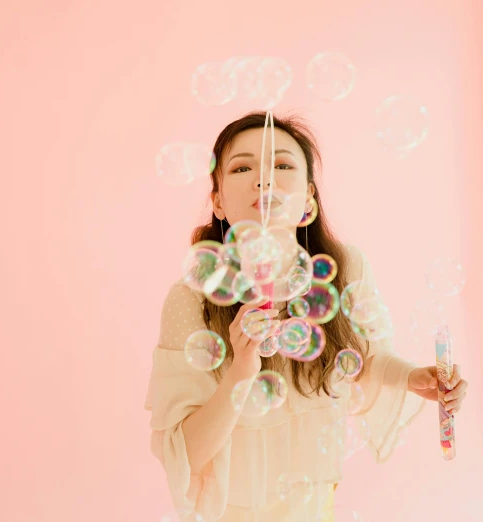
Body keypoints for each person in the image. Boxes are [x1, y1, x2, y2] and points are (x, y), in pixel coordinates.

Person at [144, 112, 469, 522]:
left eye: (282, 165)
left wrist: (412, 377)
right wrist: (241, 373)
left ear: (309, 198)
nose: (263, 180)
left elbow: (360, 359)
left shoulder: (345, 266)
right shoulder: (192, 298)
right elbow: (185, 455)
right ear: (219, 200)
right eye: (242, 167)